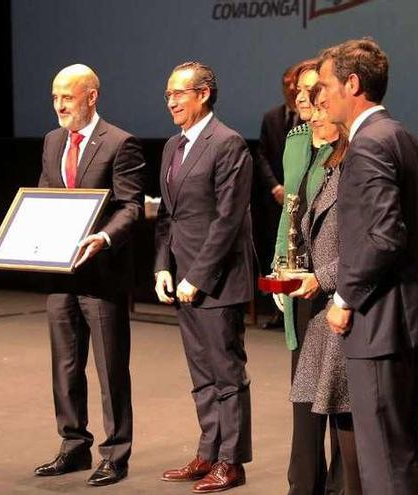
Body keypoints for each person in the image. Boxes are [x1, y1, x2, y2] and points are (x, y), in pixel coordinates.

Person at [318, 39, 418, 495]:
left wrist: (343, 296)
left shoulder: (368, 144)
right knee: (400, 451)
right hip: (410, 321)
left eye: (327, 86)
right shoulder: (405, 138)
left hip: (379, 327)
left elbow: (383, 236)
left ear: (353, 84)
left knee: (384, 462)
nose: (322, 97)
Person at [33, 64, 145, 487]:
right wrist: (7, 243)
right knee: (65, 366)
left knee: (110, 368)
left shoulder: (120, 143)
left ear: (92, 96)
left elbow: (131, 207)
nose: (60, 105)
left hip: (102, 274)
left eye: (68, 97)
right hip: (60, 274)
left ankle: (116, 454)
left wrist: (102, 237)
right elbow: (42, 200)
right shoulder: (52, 141)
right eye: (55, 98)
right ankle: (73, 445)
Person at [153, 61, 254, 494]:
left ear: (204, 93)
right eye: (168, 95)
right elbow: (166, 217)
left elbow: (228, 220)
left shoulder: (228, 144)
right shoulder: (173, 147)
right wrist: (162, 266)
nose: (171, 101)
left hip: (216, 279)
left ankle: (231, 462)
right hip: (181, 278)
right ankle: (208, 452)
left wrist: (196, 276)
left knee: (227, 373)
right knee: (201, 374)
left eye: (179, 93)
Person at [270, 59, 346, 495]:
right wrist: (280, 261)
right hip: (300, 280)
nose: (303, 101)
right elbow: (290, 210)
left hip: (333, 283)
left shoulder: (347, 147)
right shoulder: (297, 141)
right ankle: (303, 484)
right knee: (304, 390)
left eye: (312, 92)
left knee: (336, 391)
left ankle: (341, 484)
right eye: (298, 92)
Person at [283, 83, 361, 495]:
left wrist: (327, 279)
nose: (311, 117)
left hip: (343, 305)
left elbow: (371, 241)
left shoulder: (358, 161)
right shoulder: (326, 161)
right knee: (316, 405)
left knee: (345, 418)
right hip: (319, 305)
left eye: (318, 107)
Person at [252, 65, 299, 330]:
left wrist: (291, 188)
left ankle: (295, 310)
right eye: (286, 84)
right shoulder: (271, 117)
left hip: (299, 197)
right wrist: (275, 186)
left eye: (294, 83)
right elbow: (261, 155)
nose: (291, 89)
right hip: (275, 198)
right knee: (275, 251)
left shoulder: (311, 117)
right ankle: (278, 311)